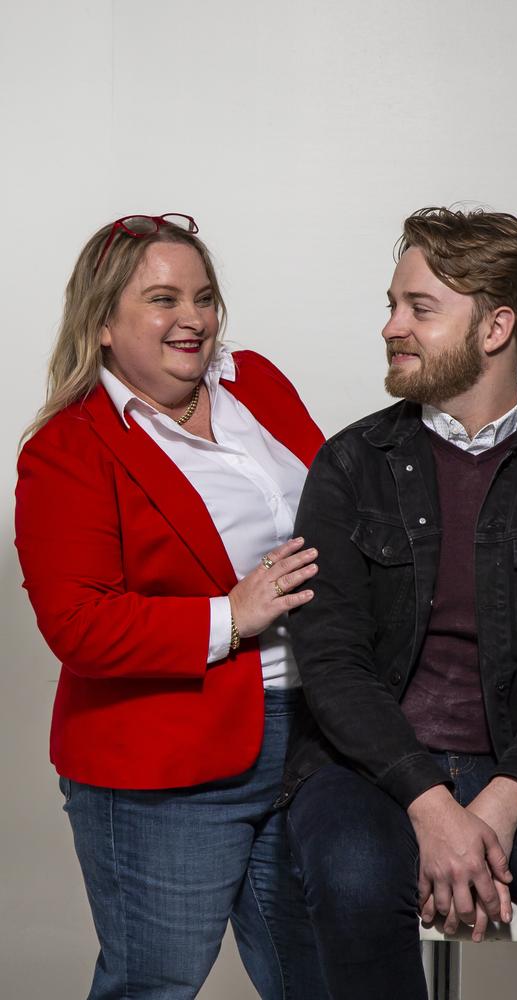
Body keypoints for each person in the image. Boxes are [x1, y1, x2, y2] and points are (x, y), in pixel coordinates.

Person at [282, 206, 517, 1000]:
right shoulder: (350, 465)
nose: (391, 327)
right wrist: (429, 802)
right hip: (363, 770)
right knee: (353, 877)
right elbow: (333, 662)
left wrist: (500, 801)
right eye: (391, 304)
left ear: (496, 327)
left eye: (419, 308)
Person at [15, 213, 329, 1000]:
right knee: (155, 985)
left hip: (313, 740)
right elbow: (77, 624)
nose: (193, 318)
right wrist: (232, 613)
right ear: (104, 325)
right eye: (163, 299)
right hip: (166, 768)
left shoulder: (255, 382)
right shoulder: (66, 450)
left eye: (204, 296)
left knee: (319, 978)